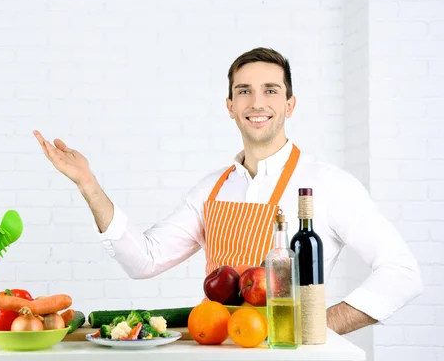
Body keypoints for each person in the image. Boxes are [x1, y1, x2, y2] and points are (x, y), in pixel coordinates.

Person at [33, 47, 422, 335]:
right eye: (244, 91)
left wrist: (319, 325)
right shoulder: (212, 188)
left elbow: (402, 273)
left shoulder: (327, 184)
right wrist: (89, 185)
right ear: (230, 106)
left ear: (290, 104)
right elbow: (143, 261)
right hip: (216, 349)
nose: (257, 102)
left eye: (271, 91)